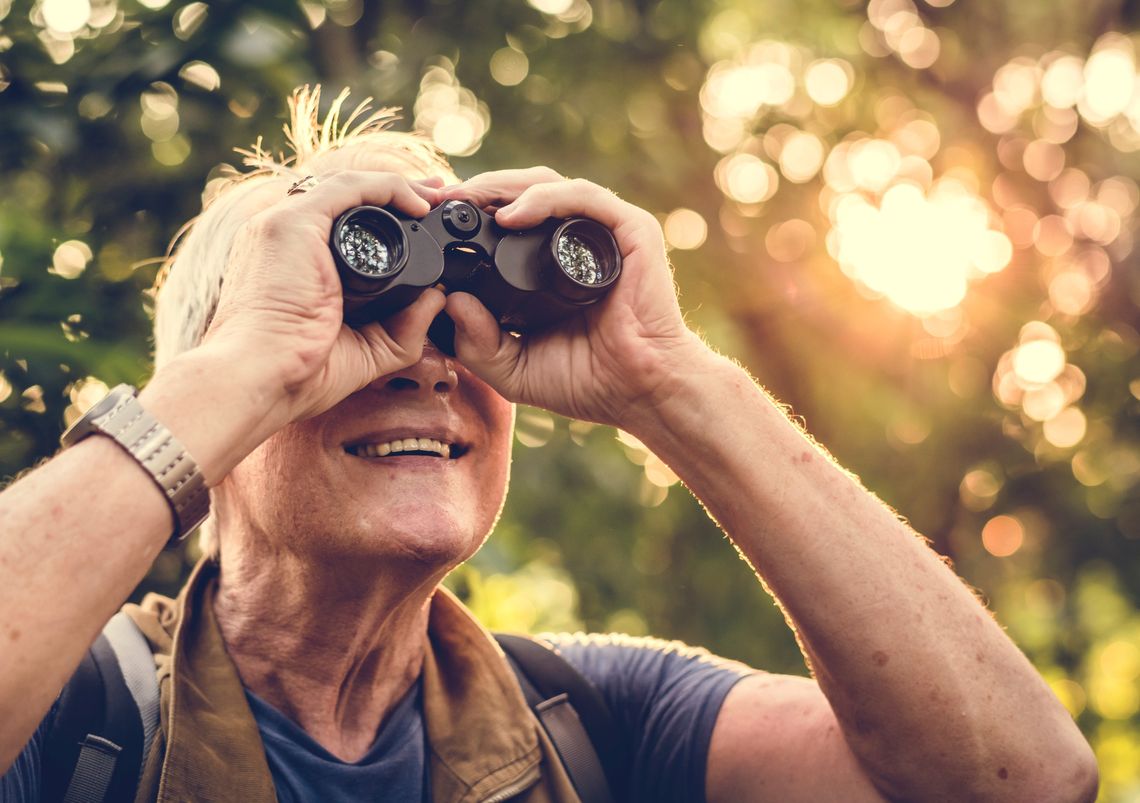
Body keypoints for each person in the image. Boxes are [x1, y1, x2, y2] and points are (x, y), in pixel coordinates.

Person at [0, 86, 1097, 802]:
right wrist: (247, 368)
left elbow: (1020, 781)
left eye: (464, 323)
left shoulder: (597, 724)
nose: (428, 360)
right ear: (221, 377)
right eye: (353, 322)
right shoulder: (79, 717)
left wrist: (670, 380)